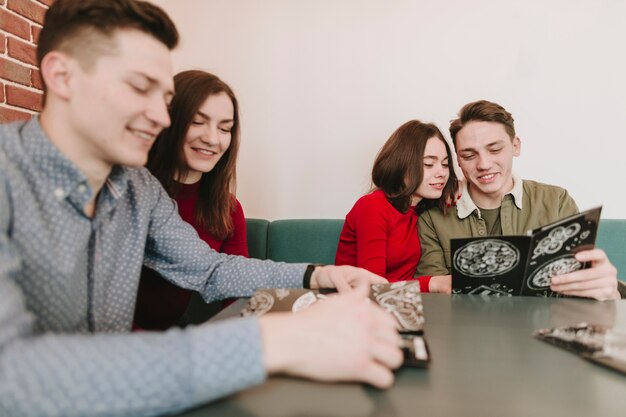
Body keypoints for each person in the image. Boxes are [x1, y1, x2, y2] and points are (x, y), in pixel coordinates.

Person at [0, 1, 403, 416]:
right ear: (61, 76)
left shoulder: (138, 188)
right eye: (140, 88)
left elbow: (209, 269)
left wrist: (318, 273)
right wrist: (277, 341)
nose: (160, 117)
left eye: (166, 99)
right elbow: (9, 373)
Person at [417, 100, 626, 300]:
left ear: (515, 146)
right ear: (458, 160)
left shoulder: (556, 201)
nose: (484, 164)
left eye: (495, 149)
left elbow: (582, 284)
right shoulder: (432, 216)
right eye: (469, 155)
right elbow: (434, 298)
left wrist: (611, 292)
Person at [134, 70, 247, 330]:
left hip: (173, 335)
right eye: (197, 122)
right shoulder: (132, 190)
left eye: (225, 128)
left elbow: (235, 292)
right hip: (115, 341)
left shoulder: (228, 209)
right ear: (168, 120)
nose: (212, 139)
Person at [335, 120, 458, 293]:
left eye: (445, 164)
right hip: (358, 305)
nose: (442, 173)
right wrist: (433, 283)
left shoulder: (421, 209)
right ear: (402, 165)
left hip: (400, 303)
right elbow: (372, 287)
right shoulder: (373, 206)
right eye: (429, 164)